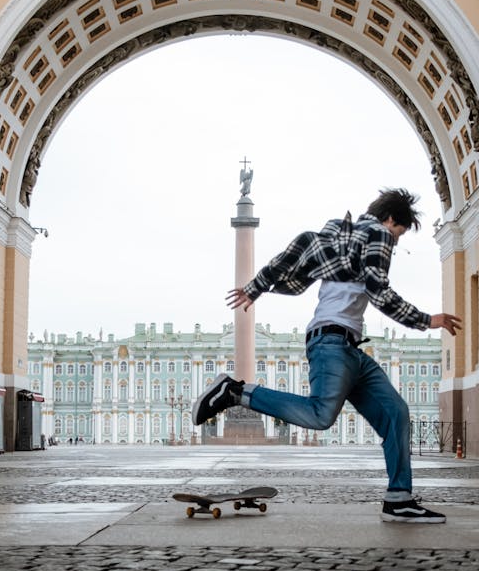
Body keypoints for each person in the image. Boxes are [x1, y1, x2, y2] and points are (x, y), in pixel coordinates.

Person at [193, 188, 461, 523]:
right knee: (321, 415)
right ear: (391, 219)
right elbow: (379, 289)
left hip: (347, 348)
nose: (395, 241)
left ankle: (398, 499)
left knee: (395, 412)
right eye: (399, 233)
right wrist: (426, 320)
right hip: (333, 344)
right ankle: (236, 392)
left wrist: (256, 287)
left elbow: (290, 255)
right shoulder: (377, 233)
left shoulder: (335, 236)